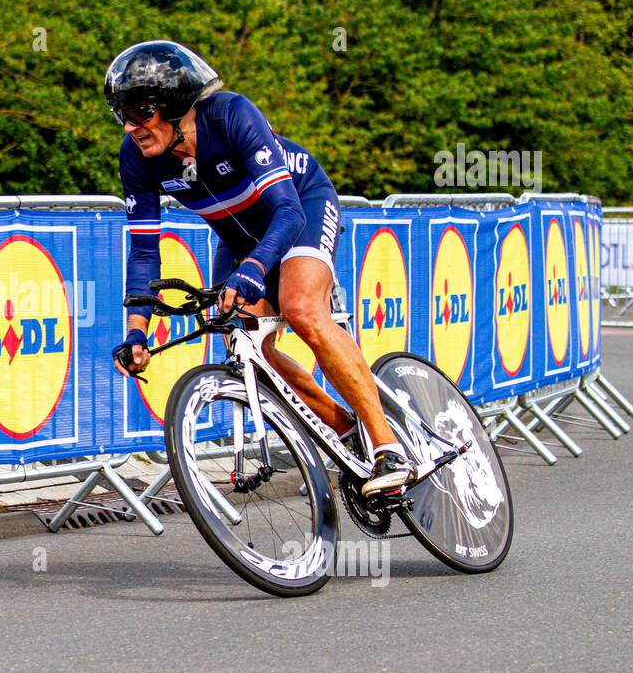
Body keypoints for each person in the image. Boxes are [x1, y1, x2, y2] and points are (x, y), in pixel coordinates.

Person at [106, 40, 416, 498]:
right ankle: (346, 430)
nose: (131, 126)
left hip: (300, 204)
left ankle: (389, 446)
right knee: (246, 341)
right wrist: (137, 332)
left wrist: (254, 267)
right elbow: (144, 254)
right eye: (121, 114)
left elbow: (287, 213)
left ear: (172, 107)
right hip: (237, 235)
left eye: (140, 112)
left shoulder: (232, 116)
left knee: (301, 309)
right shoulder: (135, 158)